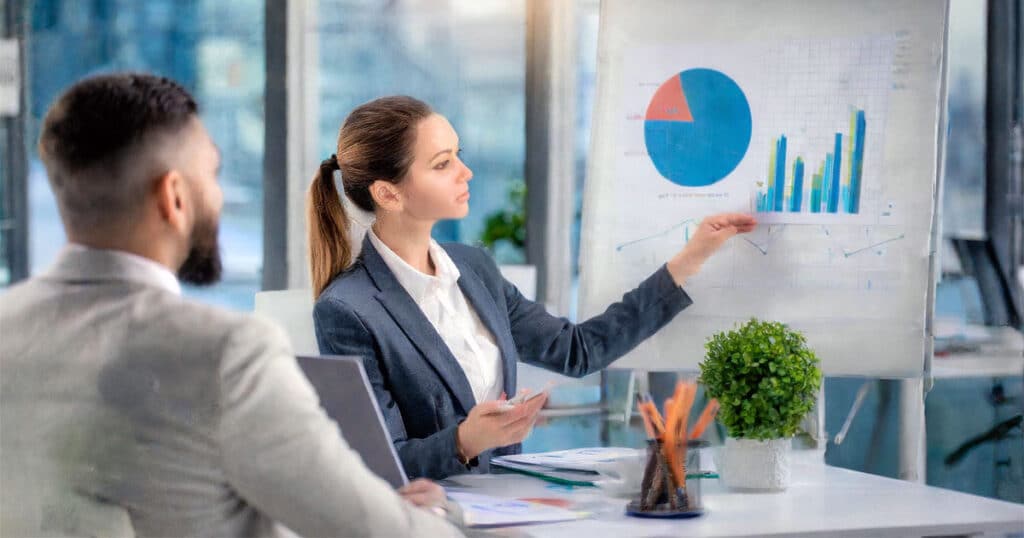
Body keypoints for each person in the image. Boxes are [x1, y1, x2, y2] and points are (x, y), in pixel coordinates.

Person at [0, 74, 463, 537]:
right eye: (213, 174)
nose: (219, 196)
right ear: (174, 197)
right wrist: (434, 516)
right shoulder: (226, 349)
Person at [309, 95, 757, 480]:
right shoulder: (347, 310)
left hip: (509, 508)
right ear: (388, 194)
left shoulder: (474, 267)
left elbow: (577, 350)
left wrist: (690, 259)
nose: (465, 172)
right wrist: (465, 441)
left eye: (457, 154)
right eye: (442, 164)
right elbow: (379, 464)